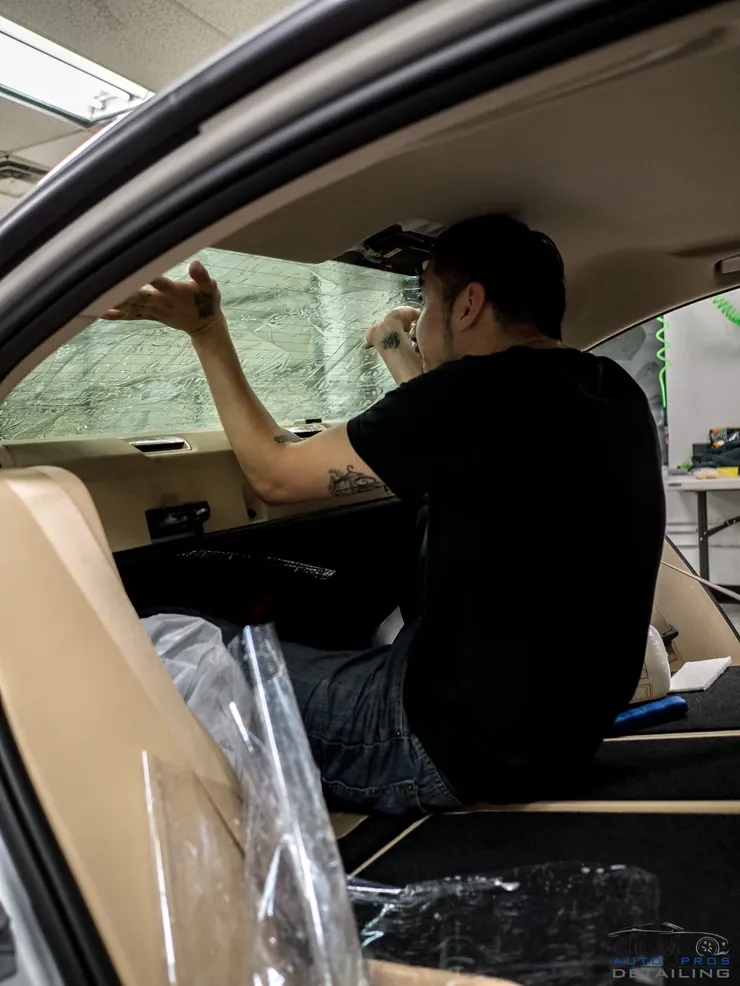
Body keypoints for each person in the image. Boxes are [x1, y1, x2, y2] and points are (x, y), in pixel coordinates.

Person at [105, 215, 666, 813]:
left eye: (424, 300)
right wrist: (402, 354)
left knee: (162, 647)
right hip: (557, 739)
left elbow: (272, 474)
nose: (419, 322)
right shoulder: (608, 391)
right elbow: (457, 454)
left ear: (469, 304)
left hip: (446, 746)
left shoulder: (474, 395)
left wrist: (208, 330)